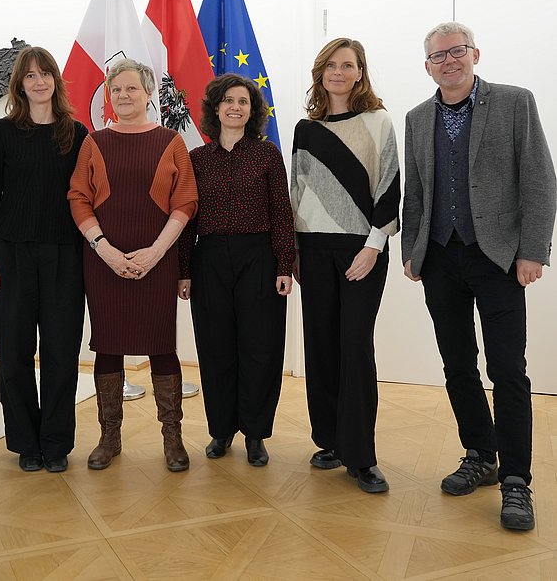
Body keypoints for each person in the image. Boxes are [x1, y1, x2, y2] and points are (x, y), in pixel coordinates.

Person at [402, 21, 556, 530]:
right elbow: (418, 192)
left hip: (498, 258)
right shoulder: (418, 117)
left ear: (475, 54)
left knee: (508, 370)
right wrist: (413, 249)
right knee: (457, 366)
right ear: (427, 66)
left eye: (457, 51)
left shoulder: (515, 102)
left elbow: (539, 180)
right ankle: (480, 455)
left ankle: (516, 481)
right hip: (441, 258)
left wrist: (532, 251)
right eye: (438, 55)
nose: (449, 60)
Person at [67, 58, 198, 472]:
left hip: (158, 261)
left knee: (162, 346)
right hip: (103, 261)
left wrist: (157, 253)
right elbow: (78, 198)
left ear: (147, 94)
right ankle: (109, 438)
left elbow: (185, 201)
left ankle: (172, 439)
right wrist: (104, 249)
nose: (123, 95)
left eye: (131, 89)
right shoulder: (94, 142)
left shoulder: (170, 141)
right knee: (108, 344)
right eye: (116, 89)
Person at [291, 37, 400, 493]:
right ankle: (331, 441)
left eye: (348, 65)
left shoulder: (379, 122)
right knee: (321, 346)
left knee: (355, 347)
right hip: (313, 251)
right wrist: (293, 252)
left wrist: (373, 246)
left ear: (360, 72)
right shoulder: (306, 129)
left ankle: (362, 457)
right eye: (331, 65)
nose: (339, 72)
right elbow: (297, 194)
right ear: (321, 72)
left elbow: (390, 188)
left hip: (363, 250)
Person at [0, 46, 88, 473]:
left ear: (56, 81)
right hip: (10, 255)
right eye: (30, 76)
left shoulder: (76, 133)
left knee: (61, 351)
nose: (39, 81)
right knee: (14, 351)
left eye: (46, 74)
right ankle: (25, 442)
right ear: (19, 84)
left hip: (64, 255)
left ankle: (56, 442)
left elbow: (86, 198)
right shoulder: (1, 133)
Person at [177, 74, 294, 467]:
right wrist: (183, 269)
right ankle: (221, 430)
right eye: (228, 100)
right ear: (215, 108)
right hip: (208, 259)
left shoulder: (266, 155)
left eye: (243, 102)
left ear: (252, 110)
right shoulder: (197, 159)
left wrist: (284, 263)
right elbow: (188, 218)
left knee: (260, 348)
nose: (235, 107)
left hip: (258, 257)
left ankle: (256, 434)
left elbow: (281, 211)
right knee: (216, 348)